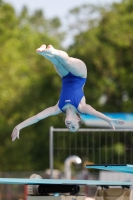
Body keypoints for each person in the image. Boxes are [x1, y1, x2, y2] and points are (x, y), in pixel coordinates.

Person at [11, 44, 124, 141]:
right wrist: (109, 120)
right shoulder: (81, 107)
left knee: (57, 63)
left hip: (65, 77)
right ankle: (53, 50)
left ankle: (45, 51)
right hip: (80, 75)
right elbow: (95, 112)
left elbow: (37, 117)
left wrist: (18, 127)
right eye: (74, 127)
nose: (70, 127)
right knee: (67, 62)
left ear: (65, 121)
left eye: (68, 128)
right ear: (78, 119)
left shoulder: (58, 108)